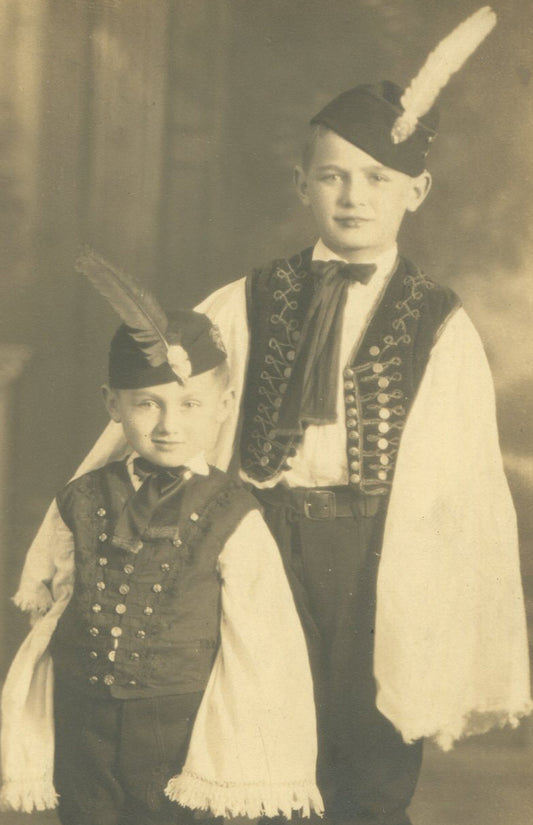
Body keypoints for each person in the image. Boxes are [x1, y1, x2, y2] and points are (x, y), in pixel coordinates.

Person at [4, 8, 531, 825]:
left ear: (415, 192)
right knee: (247, 739)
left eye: (377, 179)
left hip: (373, 553)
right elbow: (157, 410)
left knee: (366, 755)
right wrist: (61, 538)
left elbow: (458, 488)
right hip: (254, 538)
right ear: (302, 185)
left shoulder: (438, 324)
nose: (353, 196)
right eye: (333, 176)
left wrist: (431, 611)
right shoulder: (246, 303)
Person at [0, 293, 323, 824]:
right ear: (113, 405)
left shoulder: (233, 513)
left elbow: (261, 634)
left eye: (190, 404)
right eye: (147, 403)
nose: (169, 424)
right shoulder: (79, 499)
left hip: (177, 720)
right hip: (82, 713)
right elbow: (52, 597)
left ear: (224, 405)